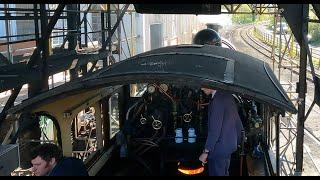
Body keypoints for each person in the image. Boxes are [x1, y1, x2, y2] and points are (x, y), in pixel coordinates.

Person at [193, 29, 244, 176]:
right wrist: (239, 140)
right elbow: (237, 122)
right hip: (229, 146)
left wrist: (205, 152)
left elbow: (214, 131)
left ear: (210, 84)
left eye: (203, 85)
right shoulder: (226, 95)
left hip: (219, 149)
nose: (201, 89)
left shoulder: (217, 102)